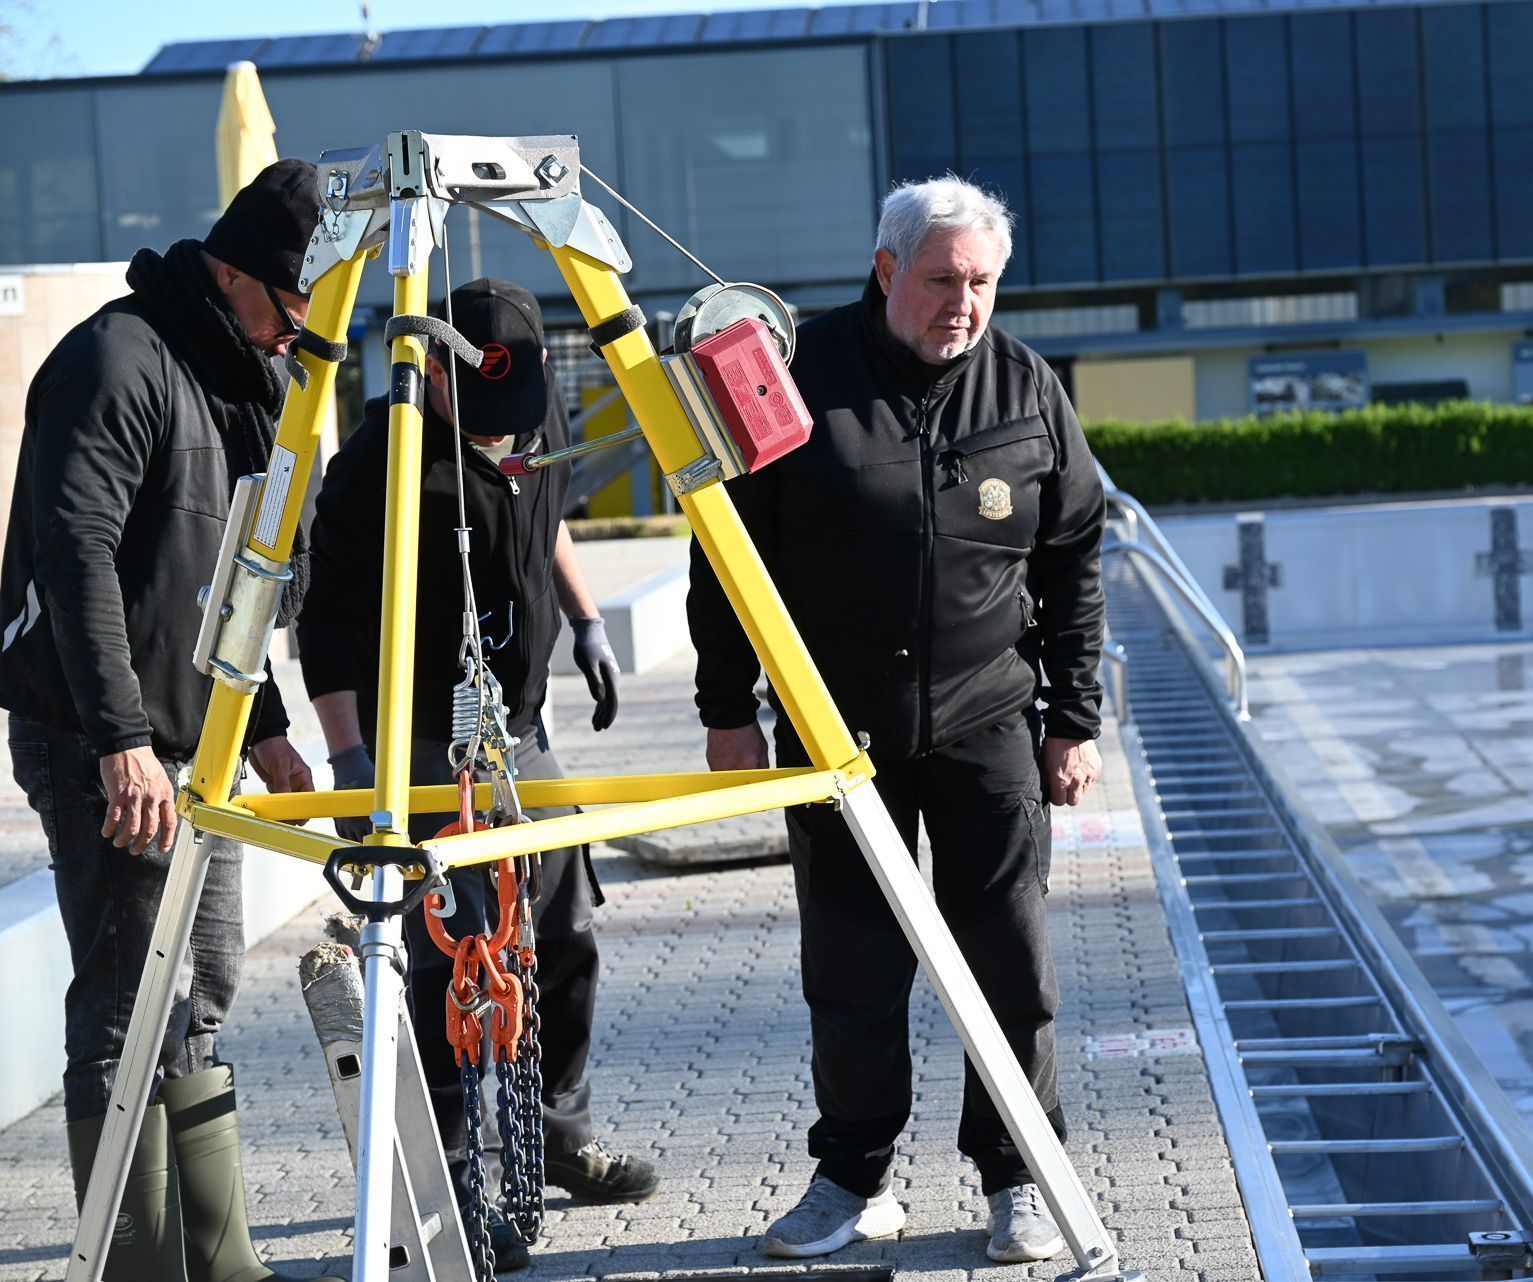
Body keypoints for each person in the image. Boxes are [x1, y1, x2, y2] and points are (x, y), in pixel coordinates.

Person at [686, 175, 1106, 1264]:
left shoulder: (1025, 389)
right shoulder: (797, 380)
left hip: (990, 722)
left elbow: (1074, 558)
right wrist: (726, 710)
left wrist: (1076, 718)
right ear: (885, 271)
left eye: (981, 283)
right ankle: (854, 1180)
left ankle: (1018, 1174)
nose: (962, 304)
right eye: (940, 280)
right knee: (854, 967)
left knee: (1008, 965)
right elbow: (724, 553)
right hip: (837, 735)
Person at [0, 160, 339, 1282]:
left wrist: (273, 719)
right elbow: (76, 556)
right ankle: (138, 1262)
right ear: (230, 269)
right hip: (104, 737)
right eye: (294, 306)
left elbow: (236, 576)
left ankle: (219, 1252)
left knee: (203, 986)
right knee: (126, 998)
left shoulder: (241, 378)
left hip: (202, 735)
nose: (300, 334)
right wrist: (120, 741)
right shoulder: (117, 358)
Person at [297, 277, 652, 1273]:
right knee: (452, 957)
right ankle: (453, 1173)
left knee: (567, 922)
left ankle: (559, 1127)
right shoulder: (377, 464)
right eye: (476, 410)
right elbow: (320, 619)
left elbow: (552, 520)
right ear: (436, 371)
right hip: (416, 747)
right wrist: (351, 755)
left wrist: (588, 623)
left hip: (520, 732)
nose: (501, 433)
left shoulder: (532, 411)